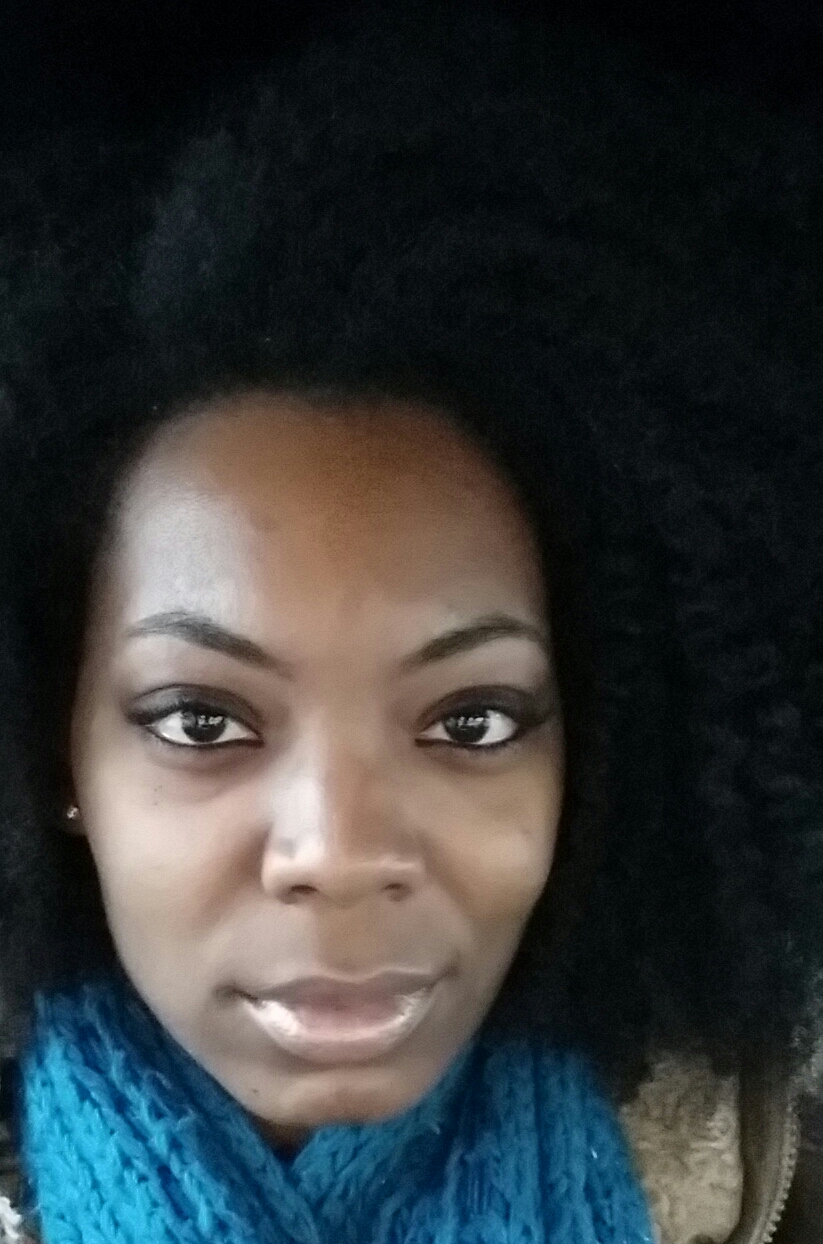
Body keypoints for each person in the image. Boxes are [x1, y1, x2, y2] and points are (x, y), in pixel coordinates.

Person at [0, 4, 821, 1241]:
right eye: (203, 720)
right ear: (56, 761)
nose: (337, 851)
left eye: (472, 720)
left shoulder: (756, 1148)